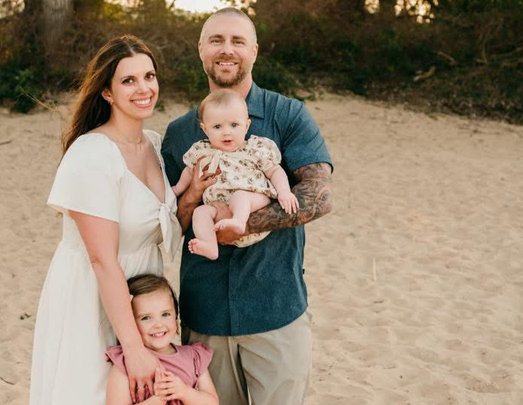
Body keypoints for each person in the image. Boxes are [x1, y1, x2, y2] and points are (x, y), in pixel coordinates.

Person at [161, 7, 334, 405]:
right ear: (201, 49)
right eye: (217, 40)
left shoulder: (287, 114)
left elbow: (319, 197)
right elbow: (171, 221)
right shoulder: (181, 132)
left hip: (276, 307)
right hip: (205, 314)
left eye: (238, 41)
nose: (227, 49)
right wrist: (194, 196)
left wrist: (242, 221)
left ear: (254, 51)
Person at [29, 35, 182, 405]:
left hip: (142, 295)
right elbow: (101, 258)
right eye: (128, 80)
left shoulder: (153, 144)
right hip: (93, 294)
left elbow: (163, 217)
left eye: (149, 76)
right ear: (107, 92)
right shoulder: (93, 153)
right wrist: (133, 347)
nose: (143, 88)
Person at [171, 89, 298, 260]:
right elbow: (189, 171)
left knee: (240, 196)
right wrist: (178, 189)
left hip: (253, 200)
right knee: (200, 212)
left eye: (234, 125)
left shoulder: (254, 148)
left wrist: (284, 192)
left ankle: (238, 220)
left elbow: (275, 171)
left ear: (247, 125)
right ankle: (209, 245)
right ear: (205, 129)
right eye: (217, 127)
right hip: (219, 210)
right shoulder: (202, 151)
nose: (226, 132)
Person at [105, 274, 219, 405]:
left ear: (176, 317)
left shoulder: (194, 357)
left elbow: (212, 402)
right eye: (146, 318)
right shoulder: (127, 363)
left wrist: (185, 392)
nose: (158, 324)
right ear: (131, 323)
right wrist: (157, 401)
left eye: (165, 314)